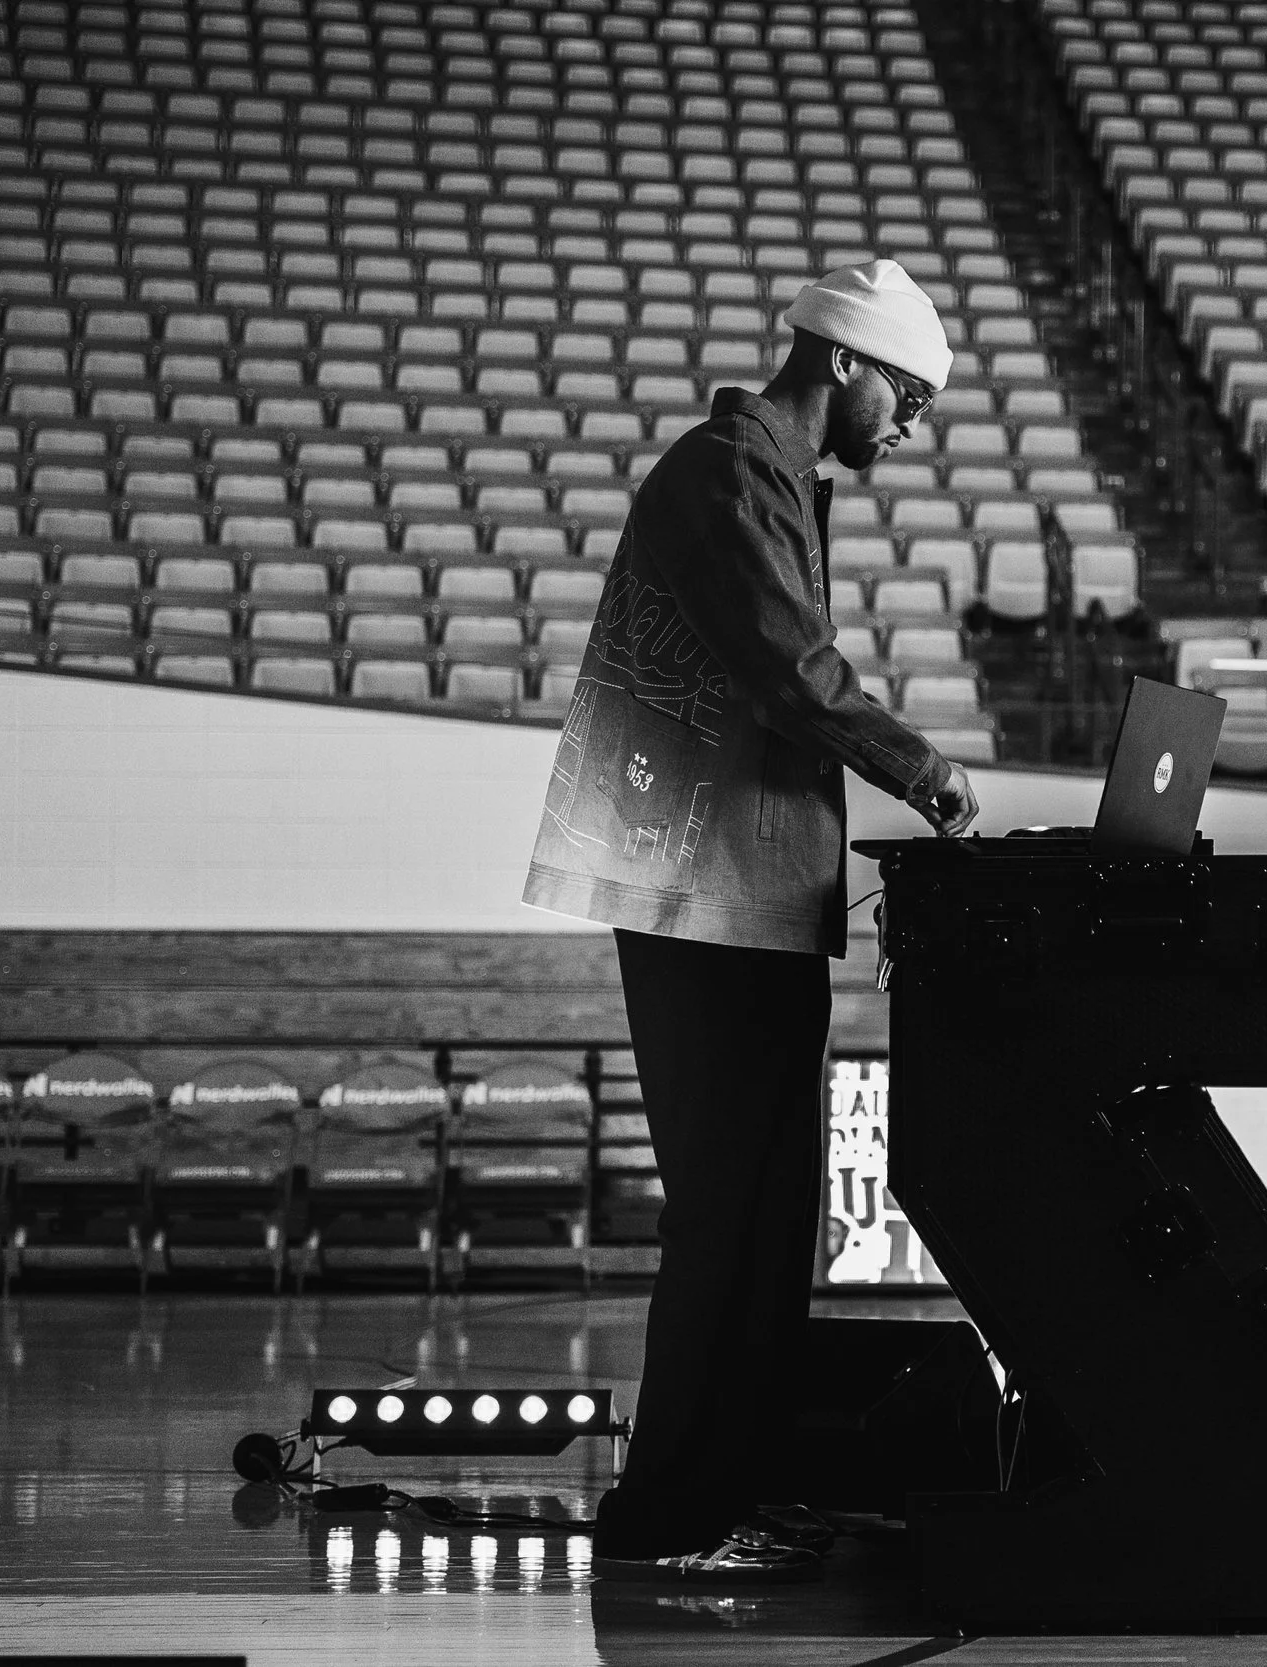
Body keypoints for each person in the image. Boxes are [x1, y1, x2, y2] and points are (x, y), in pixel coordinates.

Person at [522, 258, 980, 1583]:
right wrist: (923, 766)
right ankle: (669, 1516)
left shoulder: (773, 479)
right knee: (728, 1211)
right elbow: (791, 665)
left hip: (745, 898)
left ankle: (736, 1490)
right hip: (699, 896)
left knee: (771, 1216)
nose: (909, 426)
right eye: (908, 394)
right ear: (842, 359)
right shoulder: (731, 471)